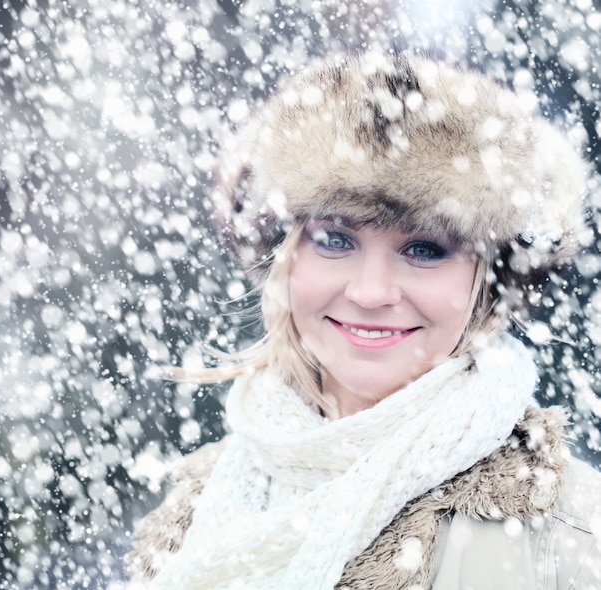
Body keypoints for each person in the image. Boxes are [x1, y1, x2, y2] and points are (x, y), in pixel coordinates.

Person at [126, 50, 601, 589]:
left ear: (485, 282)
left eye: (424, 249)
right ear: (285, 258)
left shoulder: (569, 535)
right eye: (335, 239)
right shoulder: (193, 512)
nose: (371, 292)